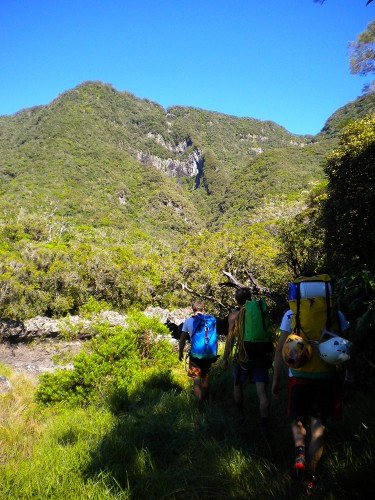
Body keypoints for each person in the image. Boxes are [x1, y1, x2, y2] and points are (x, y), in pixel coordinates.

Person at [272, 293, 350, 495]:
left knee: (297, 420)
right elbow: (345, 346)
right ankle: (310, 478)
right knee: (318, 425)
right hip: (325, 376)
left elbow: (281, 347)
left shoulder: (291, 313)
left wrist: (275, 378)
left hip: (297, 376)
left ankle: (300, 454)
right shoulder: (335, 313)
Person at [222, 288, 272, 434]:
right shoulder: (260, 313)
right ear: (249, 298)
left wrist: (225, 357)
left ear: (237, 301)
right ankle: (264, 425)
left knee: (237, 384)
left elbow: (230, 339)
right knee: (262, 391)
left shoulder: (234, 316)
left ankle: (240, 414)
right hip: (261, 354)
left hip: (243, 355)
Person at [179, 300, 217, 402]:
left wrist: (180, 353)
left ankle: (200, 404)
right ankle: (208, 401)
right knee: (205, 377)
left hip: (195, 355)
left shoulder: (188, 321)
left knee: (196, 379)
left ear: (193, 309)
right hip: (208, 354)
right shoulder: (210, 320)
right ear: (203, 309)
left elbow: (182, 340)